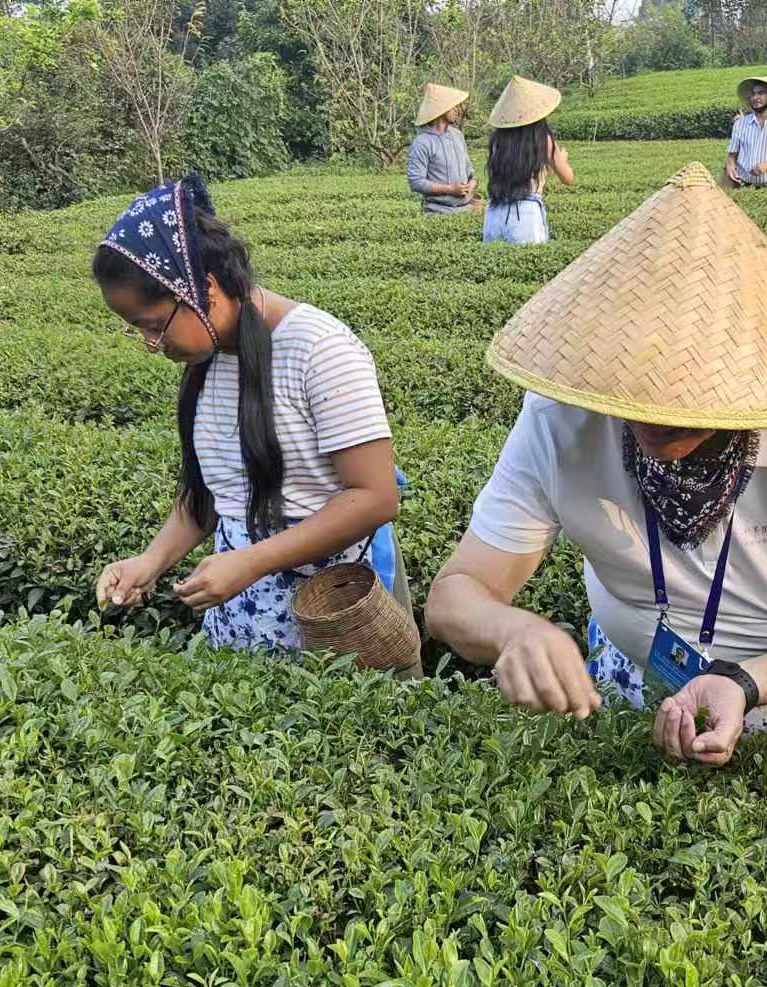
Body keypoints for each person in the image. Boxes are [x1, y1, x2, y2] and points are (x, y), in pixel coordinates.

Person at [427, 163, 767, 766]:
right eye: (637, 392)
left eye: (690, 399)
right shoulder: (561, 416)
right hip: (624, 683)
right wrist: (514, 631)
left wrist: (742, 682)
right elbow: (456, 593)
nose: (657, 418)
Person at [90, 173, 418, 662]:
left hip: (336, 607)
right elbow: (218, 495)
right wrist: (149, 563)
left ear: (205, 288)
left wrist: (250, 562)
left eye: (155, 326)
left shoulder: (319, 349)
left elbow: (374, 498)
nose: (151, 344)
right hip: (246, 608)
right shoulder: (209, 359)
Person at [484, 76, 575, 245]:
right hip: (525, 214)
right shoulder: (543, 140)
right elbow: (568, 178)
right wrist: (561, 159)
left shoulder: (497, 140)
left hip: (494, 211)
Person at [407, 83, 478, 215]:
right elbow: (416, 181)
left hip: (466, 210)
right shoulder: (422, 143)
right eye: (453, 107)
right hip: (437, 212)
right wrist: (450, 189)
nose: (457, 110)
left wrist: (472, 184)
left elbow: (470, 172)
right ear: (441, 109)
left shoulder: (457, 135)